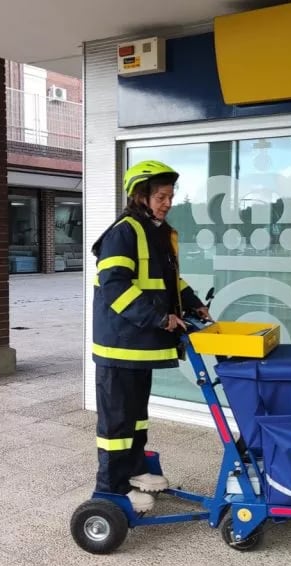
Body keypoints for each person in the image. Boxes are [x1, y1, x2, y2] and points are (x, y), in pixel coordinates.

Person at [90, 160, 210, 513]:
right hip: (119, 346)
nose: (168, 203)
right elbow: (115, 286)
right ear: (140, 196)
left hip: (138, 346)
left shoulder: (156, 232)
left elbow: (170, 282)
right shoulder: (124, 232)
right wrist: (158, 317)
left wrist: (194, 303)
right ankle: (110, 488)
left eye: (171, 196)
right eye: (161, 196)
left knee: (136, 416)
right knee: (117, 423)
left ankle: (135, 469)